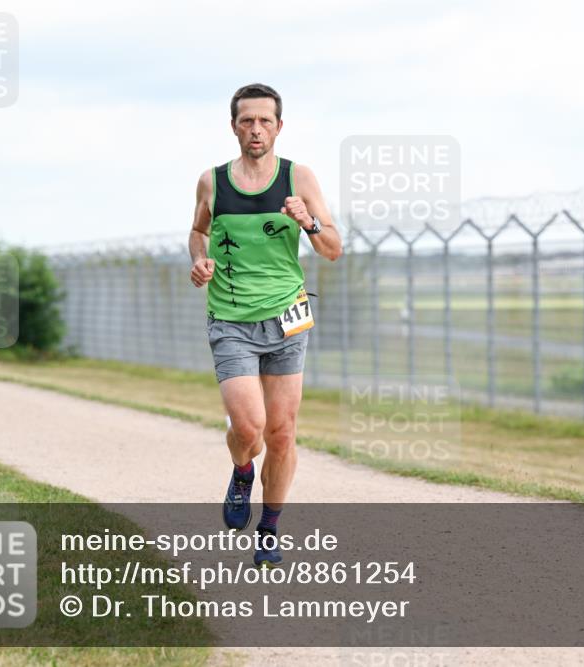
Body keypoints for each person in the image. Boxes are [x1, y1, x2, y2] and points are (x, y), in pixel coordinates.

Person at [189, 83, 342, 568]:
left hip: (287, 317)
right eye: (246, 121)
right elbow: (198, 231)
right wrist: (200, 260)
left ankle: (271, 526)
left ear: (279, 126)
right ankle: (240, 470)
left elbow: (333, 248)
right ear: (233, 125)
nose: (256, 129)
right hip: (230, 318)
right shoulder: (213, 181)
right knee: (249, 426)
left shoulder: (299, 177)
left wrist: (310, 223)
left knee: (281, 432)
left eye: (265, 121)